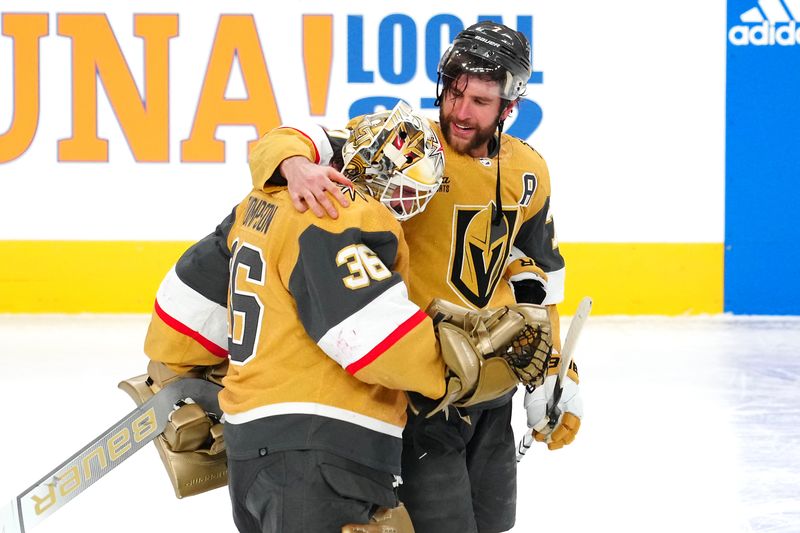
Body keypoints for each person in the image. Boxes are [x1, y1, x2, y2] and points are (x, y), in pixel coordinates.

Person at [133, 101, 550, 533]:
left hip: (249, 452)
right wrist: (459, 370)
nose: (412, 202)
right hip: (323, 452)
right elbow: (372, 338)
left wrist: (174, 370)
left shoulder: (261, 202)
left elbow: (188, 302)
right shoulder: (337, 214)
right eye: (412, 188)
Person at [250, 21, 583, 533]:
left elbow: (539, 280)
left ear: (509, 106)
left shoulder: (530, 171)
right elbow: (284, 138)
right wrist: (295, 164)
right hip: (422, 394)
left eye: (480, 100)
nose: (460, 111)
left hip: (494, 394)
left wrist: (556, 373)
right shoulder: (401, 144)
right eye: (454, 92)